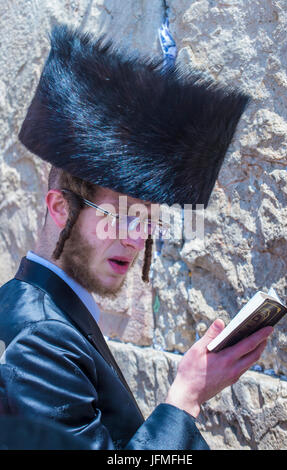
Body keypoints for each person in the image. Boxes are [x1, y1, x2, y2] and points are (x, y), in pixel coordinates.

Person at [0, 24, 273, 450]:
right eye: (121, 216)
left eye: (146, 221)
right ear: (60, 208)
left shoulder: (32, 302)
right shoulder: (42, 338)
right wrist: (186, 399)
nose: (136, 238)